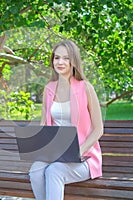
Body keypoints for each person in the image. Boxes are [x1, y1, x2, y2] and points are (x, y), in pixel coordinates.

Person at [29, 40, 103, 200]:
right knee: (35, 172)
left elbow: (98, 129)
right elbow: (44, 124)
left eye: (65, 58)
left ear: (73, 61)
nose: (60, 62)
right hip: (55, 154)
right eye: (56, 58)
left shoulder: (86, 88)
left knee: (54, 171)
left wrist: (79, 151)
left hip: (85, 157)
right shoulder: (49, 89)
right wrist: (37, 147)